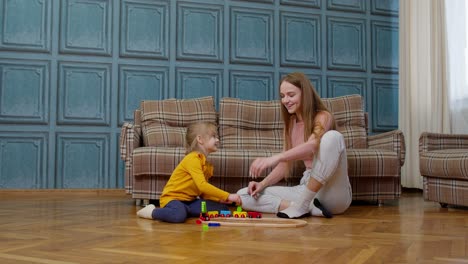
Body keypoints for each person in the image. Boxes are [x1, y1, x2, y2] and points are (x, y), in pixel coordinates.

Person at [237, 72, 352, 219]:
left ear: (306, 94)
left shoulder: (323, 116)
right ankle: (308, 207)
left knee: (333, 137)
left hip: (332, 191)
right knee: (245, 194)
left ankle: (302, 204)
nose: (286, 100)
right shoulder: (291, 124)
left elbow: (312, 145)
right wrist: (262, 184)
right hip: (307, 189)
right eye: (282, 96)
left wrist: (274, 158)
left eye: (291, 95)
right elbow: (285, 165)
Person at [137, 121, 242, 223]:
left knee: (222, 208)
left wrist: (219, 199)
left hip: (190, 201)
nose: (217, 140)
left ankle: (185, 210)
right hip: (173, 199)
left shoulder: (207, 165)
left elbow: (202, 193)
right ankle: (152, 211)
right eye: (213, 136)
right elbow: (202, 186)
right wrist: (227, 196)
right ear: (200, 139)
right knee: (178, 216)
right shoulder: (193, 159)